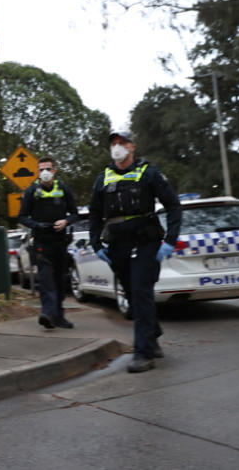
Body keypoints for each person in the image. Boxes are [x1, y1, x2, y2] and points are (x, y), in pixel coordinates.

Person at [88, 131, 181, 373]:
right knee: (132, 294)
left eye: (122, 143)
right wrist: (96, 244)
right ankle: (153, 334)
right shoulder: (103, 178)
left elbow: (173, 205)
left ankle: (143, 353)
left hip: (145, 242)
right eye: (113, 143)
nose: (117, 147)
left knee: (140, 292)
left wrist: (170, 240)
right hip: (117, 244)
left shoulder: (149, 173)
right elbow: (95, 214)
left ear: (132, 147)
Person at [17, 156, 79, 330]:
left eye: (48, 169)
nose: (45, 172)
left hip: (60, 241)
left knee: (60, 280)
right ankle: (47, 313)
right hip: (42, 241)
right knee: (46, 280)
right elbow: (22, 217)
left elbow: (74, 213)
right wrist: (37, 225)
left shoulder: (63, 189)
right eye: (41, 169)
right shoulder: (31, 191)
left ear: (54, 171)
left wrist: (66, 222)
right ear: (37, 172)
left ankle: (58, 316)